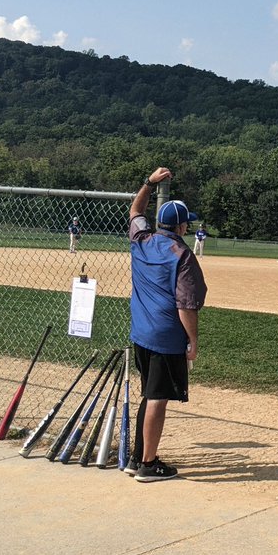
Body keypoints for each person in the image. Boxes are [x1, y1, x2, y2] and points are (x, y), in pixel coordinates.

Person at [125, 167, 207, 482]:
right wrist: (193, 341)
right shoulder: (182, 255)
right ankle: (148, 464)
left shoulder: (142, 238)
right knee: (158, 396)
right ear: (183, 226)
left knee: (150, 392)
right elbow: (186, 305)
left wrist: (149, 182)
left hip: (141, 331)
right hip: (166, 335)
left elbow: (135, 210)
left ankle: (136, 457)